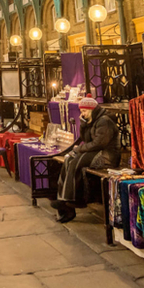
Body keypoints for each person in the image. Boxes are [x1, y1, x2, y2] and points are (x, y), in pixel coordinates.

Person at [50, 95, 121, 223]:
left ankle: (70, 202)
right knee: (68, 159)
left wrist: (80, 149)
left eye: (84, 111)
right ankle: (63, 198)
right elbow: (86, 139)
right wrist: (83, 125)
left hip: (107, 155)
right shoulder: (92, 120)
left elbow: (100, 143)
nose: (82, 114)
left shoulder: (104, 121)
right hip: (96, 151)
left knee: (76, 163)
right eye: (81, 111)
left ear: (92, 109)